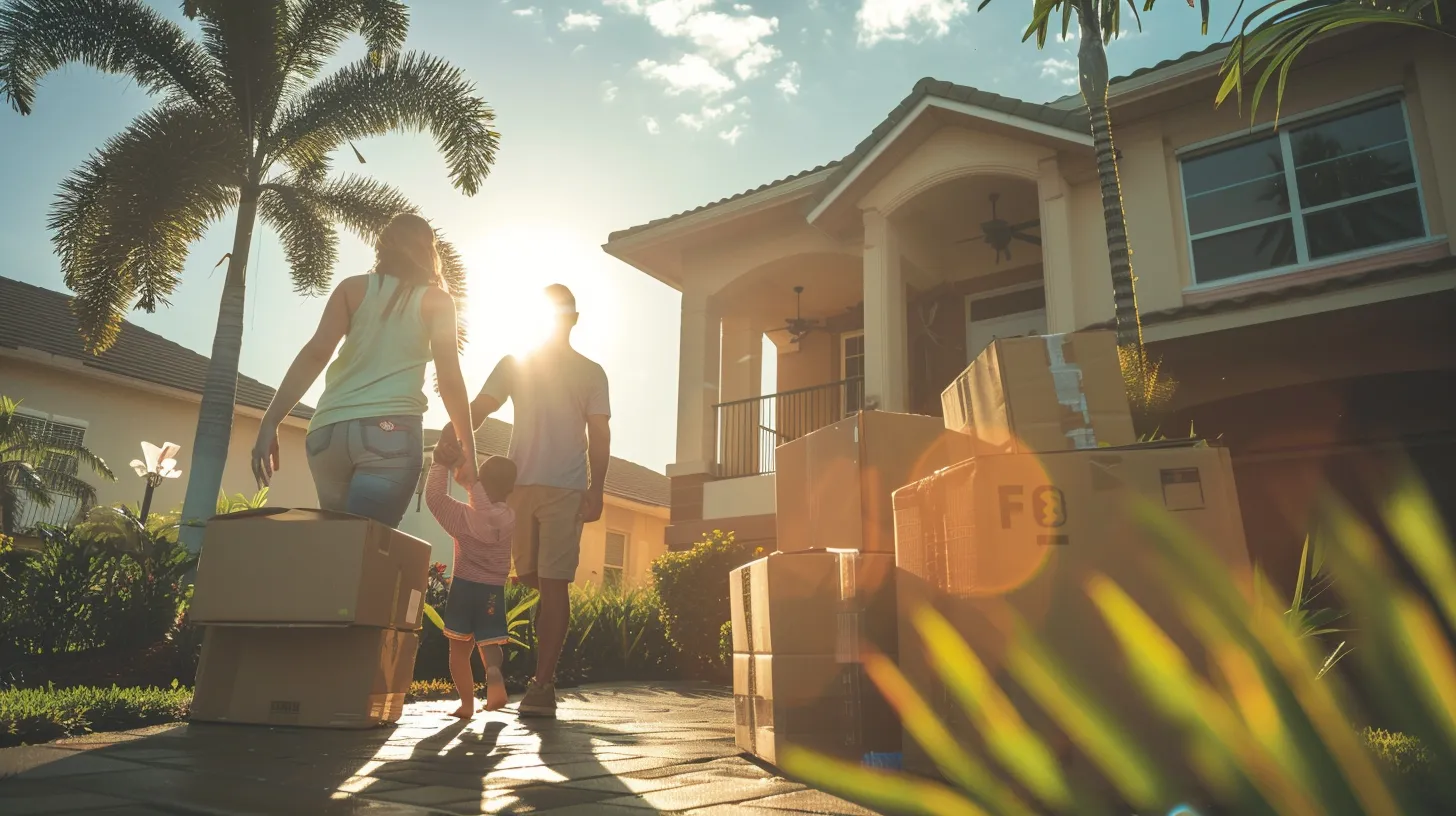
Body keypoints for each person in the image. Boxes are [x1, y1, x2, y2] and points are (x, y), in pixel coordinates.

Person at [435, 283, 610, 719]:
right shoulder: (514, 364)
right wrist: (451, 431)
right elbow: (482, 406)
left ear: (573, 319)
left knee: (554, 584)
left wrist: (597, 487)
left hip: (566, 488)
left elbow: (599, 434)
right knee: (529, 576)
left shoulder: (592, 372)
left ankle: (542, 684)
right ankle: (546, 643)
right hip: (516, 488)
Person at [251, 213, 476, 525]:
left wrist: (270, 421)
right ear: (428, 251)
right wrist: (469, 450)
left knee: (336, 548)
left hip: (327, 434)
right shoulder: (436, 301)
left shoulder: (352, 289)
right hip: (390, 433)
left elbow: (316, 353)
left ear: (383, 247)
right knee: (362, 556)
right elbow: (449, 379)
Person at [425, 446, 517, 718]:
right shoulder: (508, 519)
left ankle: (467, 704)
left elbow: (433, 498)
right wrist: (473, 484)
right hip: (491, 592)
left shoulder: (462, 517)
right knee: (489, 643)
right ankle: (493, 674)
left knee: (459, 651)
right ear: (510, 489)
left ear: (480, 482)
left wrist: (441, 464)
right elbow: (488, 514)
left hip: (464, 588)